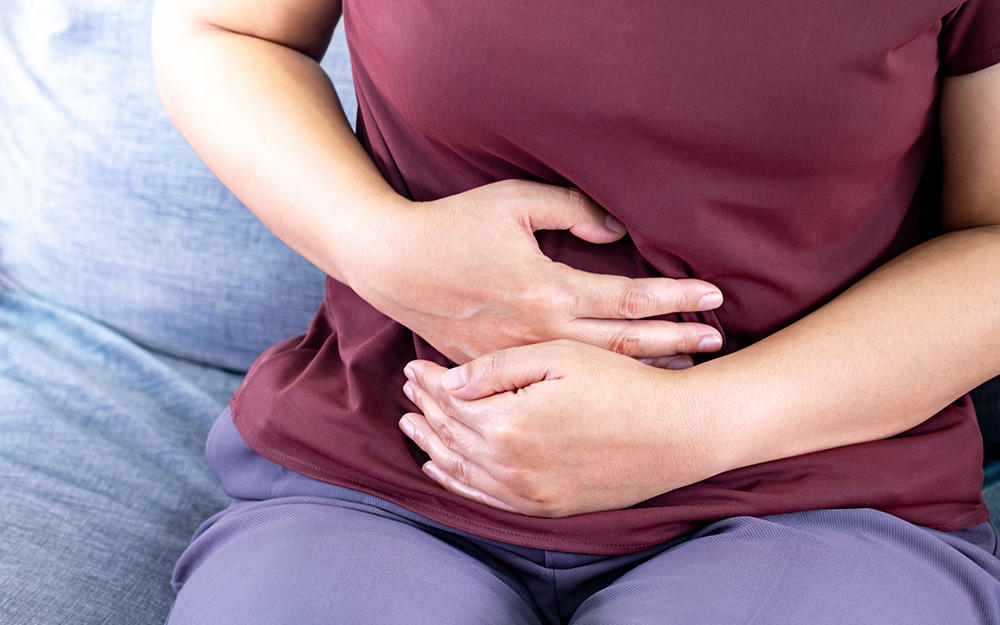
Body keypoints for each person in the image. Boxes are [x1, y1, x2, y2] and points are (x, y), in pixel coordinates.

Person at [151, 0, 1000, 622]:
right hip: (387, 467)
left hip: (814, 499)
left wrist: (698, 423)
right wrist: (382, 245)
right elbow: (220, 31)